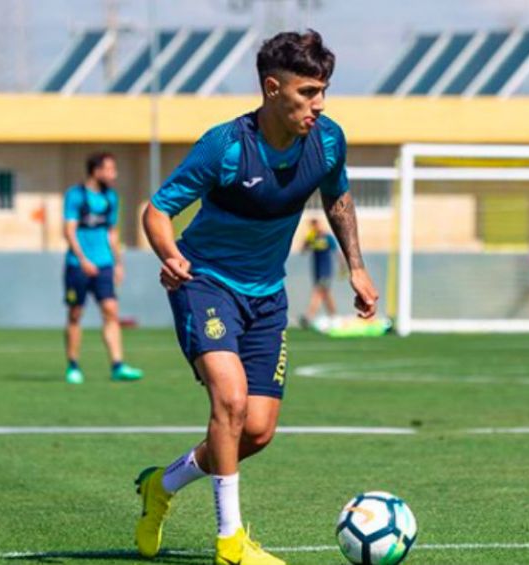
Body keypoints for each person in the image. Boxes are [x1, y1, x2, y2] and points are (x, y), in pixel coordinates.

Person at [138, 30, 378, 565]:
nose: (319, 104)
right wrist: (170, 255)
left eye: (323, 91)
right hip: (206, 284)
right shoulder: (224, 147)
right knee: (230, 399)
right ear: (272, 89)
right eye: (308, 92)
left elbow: (337, 196)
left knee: (257, 431)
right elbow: (155, 211)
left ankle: (162, 486)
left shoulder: (329, 140)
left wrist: (356, 268)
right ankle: (230, 542)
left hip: (268, 295)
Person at [62, 152, 143, 384]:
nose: (113, 174)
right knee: (75, 313)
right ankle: (73, 365)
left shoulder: (111, 198)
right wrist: (83, 260)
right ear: (96, 171)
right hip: (78, 266)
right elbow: (69, 231)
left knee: (111, 312)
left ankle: (118, 364)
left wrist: (118, 263)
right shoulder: (75, 196)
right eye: (109, 169)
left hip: (104, 264)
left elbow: (112, 233)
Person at [301, 217, 339, 326]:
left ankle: (309, 316)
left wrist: (342, 266)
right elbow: (303, 251)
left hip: (326, 270)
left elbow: (336, 252)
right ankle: (334, 316)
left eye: (314, 225)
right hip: (316, 270)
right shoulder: (312, 238)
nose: (313, 227)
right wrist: (307, 240)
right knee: (326, 293)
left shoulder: (327, 237)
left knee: (318, 291)